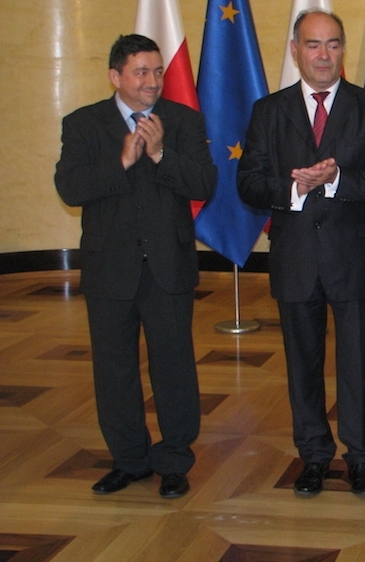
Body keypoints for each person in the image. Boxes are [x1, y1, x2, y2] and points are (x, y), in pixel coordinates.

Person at [237, 10, 365, 496]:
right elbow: (248, 184)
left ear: (343, 49)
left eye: (332, 44)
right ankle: (312, 456)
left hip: (351, 256)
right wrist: (295, 188)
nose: (323, 55)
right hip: (295, 258)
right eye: (313, 45)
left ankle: (361, 458)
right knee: (302, 365)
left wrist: (336, 180)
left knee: (358, 365)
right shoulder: (269, 111)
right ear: (295, 51)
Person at [54, 34, 217, 498]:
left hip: (168, 267)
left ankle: (174, 461)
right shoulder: (83, 124)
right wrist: (122, 162)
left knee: (174, 368)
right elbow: (70, 188)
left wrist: (162, 154)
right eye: (141, 72)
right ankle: (129, 459)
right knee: (114, 370)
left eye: (158, 71)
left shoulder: (182, 121)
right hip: (110, 270)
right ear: (115, 76)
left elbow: (205, 182)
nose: (153, 81)